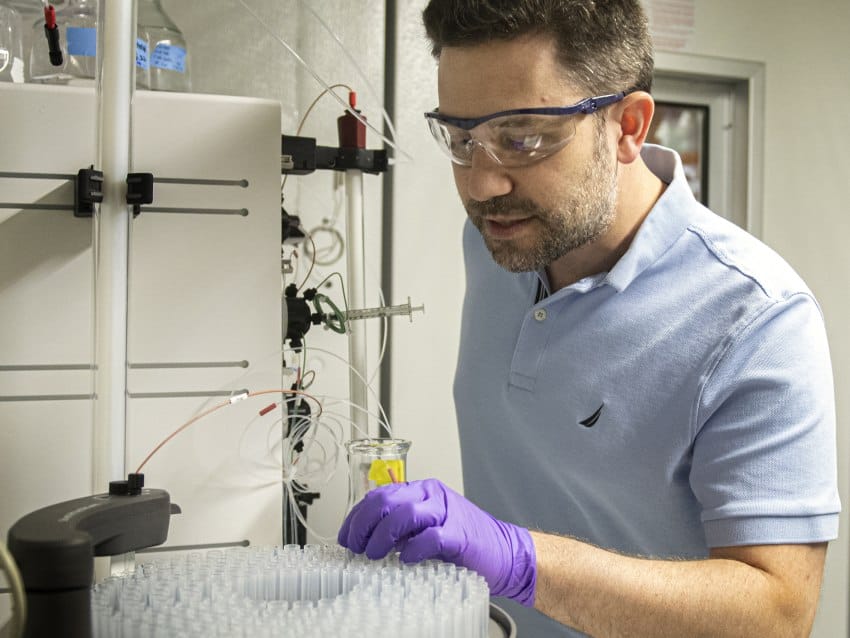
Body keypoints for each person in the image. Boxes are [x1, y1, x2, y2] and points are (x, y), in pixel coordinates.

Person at [338, 1, 841, 636]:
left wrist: (522, 560)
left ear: (628, 126)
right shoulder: (501, 242)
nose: (482, 184)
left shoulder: (759, 318)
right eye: (462, 139)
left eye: (523, 137)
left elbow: (778, 613)